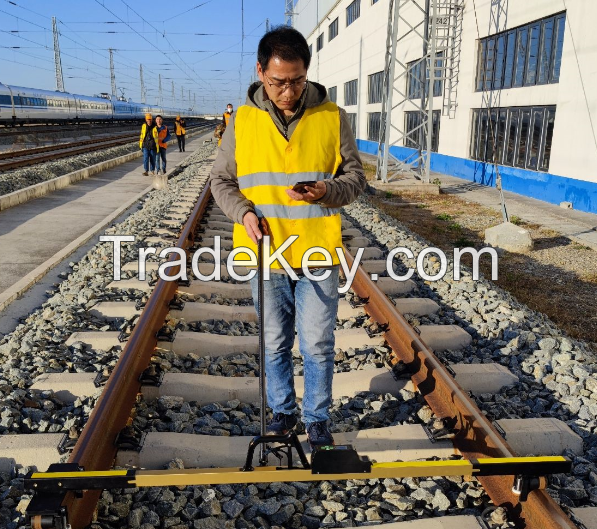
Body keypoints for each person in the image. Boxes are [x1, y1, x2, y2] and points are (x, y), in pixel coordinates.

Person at [210, 26, 366, 448]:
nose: (288, 91)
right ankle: (282, 413)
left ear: (307, 72)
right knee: (275, 342)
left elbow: (355, 178)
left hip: (317, 252)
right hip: (266, 255)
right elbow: (221, 181)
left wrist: (327, 190)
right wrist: (243, 213)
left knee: (317, 344)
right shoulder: (242, 121)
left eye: (297, 80)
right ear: (261, 72)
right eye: (279, 81)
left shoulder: (331, 117)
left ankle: (316, 419)